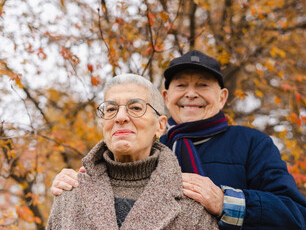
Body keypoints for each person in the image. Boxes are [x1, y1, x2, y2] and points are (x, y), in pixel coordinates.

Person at [51, 50, 306, 229]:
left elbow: (296, 216)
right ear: (165, 98)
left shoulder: (251, 143)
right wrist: (73, 182)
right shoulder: (147, 146)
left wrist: (226, 203)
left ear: (221, 97)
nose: (190, 94)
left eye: (202, 85)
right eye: (181, 86)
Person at [46, 74, 219, 229]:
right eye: (111, 109)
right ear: (103, 125)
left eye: (135, 108)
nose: (120, 117)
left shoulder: (191, 202)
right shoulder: (69, 194)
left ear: (160, 125)